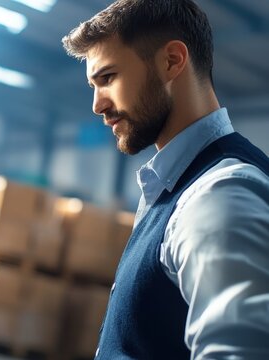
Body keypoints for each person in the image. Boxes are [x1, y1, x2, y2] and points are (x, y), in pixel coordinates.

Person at [62, 1, 269, 359]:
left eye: (108, 77)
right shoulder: (175, 185)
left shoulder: (218, 196)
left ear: (172, 60)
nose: (97, 105)